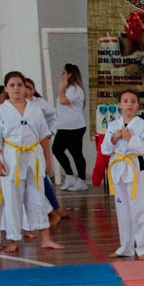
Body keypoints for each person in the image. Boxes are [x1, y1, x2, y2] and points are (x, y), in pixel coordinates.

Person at [0, 72, 64, 252]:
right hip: (11, 157)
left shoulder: (35, 108)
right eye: (12, 85)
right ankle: (13, 240)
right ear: (6, 89)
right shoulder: (1, 110)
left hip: (34, 156)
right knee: (12, 199)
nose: (16, 88)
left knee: (38, 197)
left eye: (19, 85)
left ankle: (45, 238)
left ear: (25, 88)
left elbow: (44, 135)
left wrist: (48, 160)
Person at [101, 89, 144, 261]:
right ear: (119, 105)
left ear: (138, 105)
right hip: (119, 170)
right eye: (125, 101)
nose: (129, 104)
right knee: (123, 211)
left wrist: (130, 139)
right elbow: (105, 150)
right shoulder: (112, 125)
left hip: (137, 170)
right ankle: (126, 247)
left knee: (141, 210)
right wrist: (113, 139)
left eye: (133, 101)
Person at [23, 78, 68, 225]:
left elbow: (53, 116)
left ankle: (54, 210)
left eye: (30, 89)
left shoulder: (39, 104)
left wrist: (50, 132)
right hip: (18, 151)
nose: (28, 93)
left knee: (40, 180)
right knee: (29, 187)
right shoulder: (11, 107)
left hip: (36, 148)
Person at [54, 63, 89, 191]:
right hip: (64, 127)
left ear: (69, 74)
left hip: (75, 127)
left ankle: (82, 180)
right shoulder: (68, 88)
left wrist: (61, 86)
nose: (62, 75)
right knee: (57, 150)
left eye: (64, 72)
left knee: (76, 153)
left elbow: (64, 101)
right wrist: (63, 86)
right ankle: (70, 176)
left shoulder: (75, 89)